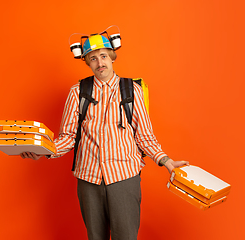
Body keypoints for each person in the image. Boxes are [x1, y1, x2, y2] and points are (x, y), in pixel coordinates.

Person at [21, 33, 189, 240]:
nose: (99, 62)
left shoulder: (132, 90)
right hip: (88, 179)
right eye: (93, 58)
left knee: (126, 236)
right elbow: (67, 136)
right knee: (96, 237)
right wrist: (44, 152)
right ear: (87, 62)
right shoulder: (77, 92)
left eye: (103, 56)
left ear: (111, 56)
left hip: (124, 177)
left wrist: (166, 161)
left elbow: (145, 136)